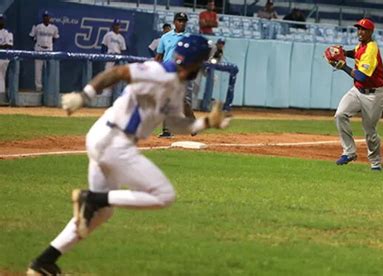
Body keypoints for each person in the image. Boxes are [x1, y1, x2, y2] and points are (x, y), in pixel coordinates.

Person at [26, 35, 231, 276]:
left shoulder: (177, 85)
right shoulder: (157, 70)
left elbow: (175, 124)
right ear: (196, 62)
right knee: (163, 195)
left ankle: (44, 262)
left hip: (108, 140)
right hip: (114, 141)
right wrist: (84, 96)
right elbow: (118, 73)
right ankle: (91, 198)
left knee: (100, 213)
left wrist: (207, 122)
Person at [327, 18, 383, 171]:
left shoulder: (371, 49)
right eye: (359, 29)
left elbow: (362, 76)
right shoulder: (362, 45)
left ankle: (376, 162)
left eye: (364, 29)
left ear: (371, 32)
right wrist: (344, 53)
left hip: (374, 95)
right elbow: (356, 53)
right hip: (357, 91)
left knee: (369, 131)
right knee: (340, 114)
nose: (360, 32)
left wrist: (343, 66)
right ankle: (349, 152)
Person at [155, 12, 195, 138]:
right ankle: (166, 130)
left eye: (184, 21)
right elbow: (159, 56)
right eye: (179, 20)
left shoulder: (189, 38)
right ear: (174, 22)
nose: (182, 23)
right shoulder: (165, 37)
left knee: (183, 101)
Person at [29, 10, 59, 92]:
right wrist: (38, 42)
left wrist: (48, 44)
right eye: (45, 16)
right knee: (38, 70)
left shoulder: (54, 28)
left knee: (49, 70)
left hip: (49, 50)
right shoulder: (37, 26)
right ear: (42, 17)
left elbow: (55, 38)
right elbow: (32, 36)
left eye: (48, 16)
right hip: (39, 49)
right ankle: (38, 88)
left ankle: (48, 88)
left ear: (50, 18)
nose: (46, 18)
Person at [101, 19, 127, 96]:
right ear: (112, 26)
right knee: (107, 77)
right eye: (115, 25)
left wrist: (121, 60)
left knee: (118, 79)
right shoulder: (108, 35)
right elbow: (103, 47)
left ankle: (116, 97)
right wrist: (104, 57)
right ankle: (105, 96)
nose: (117, 26)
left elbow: (123, 50)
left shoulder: (121, 38)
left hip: (118, 58)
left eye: (118, 25)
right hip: (110, 57)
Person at [0, 14, 13, 94]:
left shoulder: (7, 32)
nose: (0, 21)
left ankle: (1, 95)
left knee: (1, 76)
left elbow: (9, 45)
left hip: (3, 57)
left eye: (1, 19)